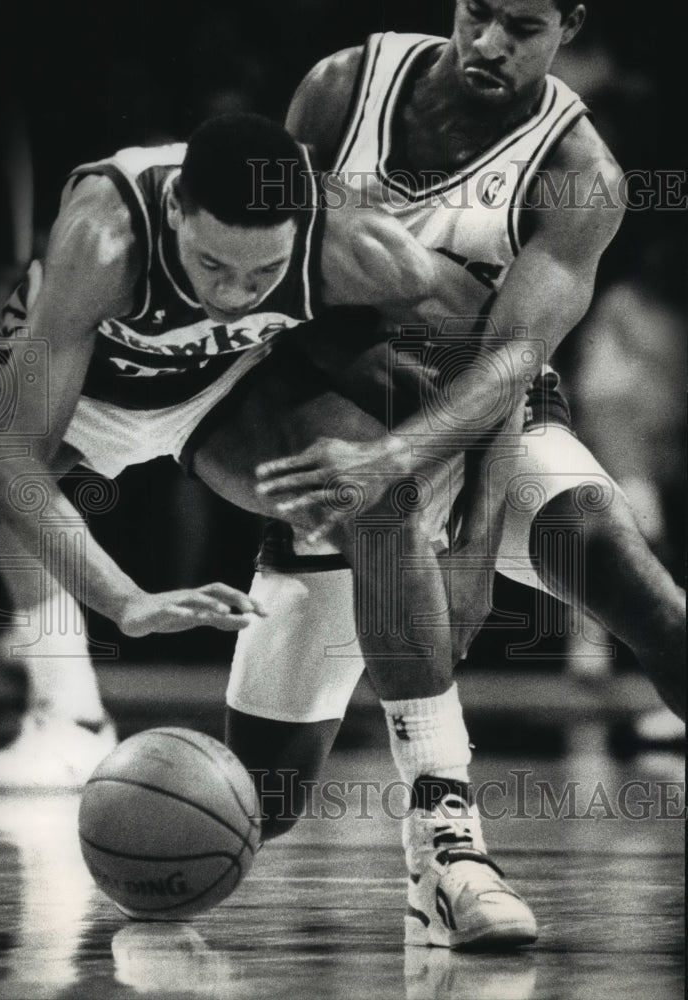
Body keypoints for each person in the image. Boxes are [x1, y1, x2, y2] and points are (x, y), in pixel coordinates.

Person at [215, 0, 685, 951]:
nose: (488, 43)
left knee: (632, 579)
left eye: (520, 27)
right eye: (476, 14)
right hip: (329, 399)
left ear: (568, 26)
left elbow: (508, 367)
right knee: (259, 799)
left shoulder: (578, 173)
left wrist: (471, 542)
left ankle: (445, 851)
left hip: (476, 419)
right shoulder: (343, 87)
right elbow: (279, 281)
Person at [0, 111, 503, 788]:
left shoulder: (365, 252)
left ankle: (439, 795)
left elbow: (509, 362)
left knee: (381, 500)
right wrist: (124, 600)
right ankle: (70, 710)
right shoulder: (106, 235)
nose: (232, 294)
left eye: (264, 274)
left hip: (216, 392)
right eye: (211, 264)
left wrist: (477, 553)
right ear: (174, 209)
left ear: (301, 230)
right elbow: (12, 461)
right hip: (81, 395)